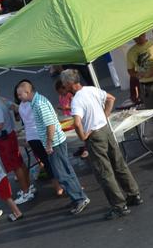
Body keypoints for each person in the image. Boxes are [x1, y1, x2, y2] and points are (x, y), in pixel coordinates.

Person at [63, 69, 141, 220]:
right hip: (105, 130)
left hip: (94, 135)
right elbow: (111, 98)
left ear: (69, 84)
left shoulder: (77, 100)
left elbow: (77, 123)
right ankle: (134, 194)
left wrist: (83, 136)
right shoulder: (91, 89)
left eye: (65, 85)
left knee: (105, 172)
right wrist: (104, 115)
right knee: (119, 164)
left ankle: (119, 206)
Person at [18, 79, 90, 215]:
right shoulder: (37, 101)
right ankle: (77, 197)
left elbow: (50, 125)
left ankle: (80, 198)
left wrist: (49, 144)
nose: (19, 98)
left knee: (61, 173)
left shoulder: (38, 104)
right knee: (65, 170)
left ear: (27, 92)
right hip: (55, 141)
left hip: (55, 143)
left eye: (20, 95)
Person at [13, 84, 63, 198]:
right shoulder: (35, 103)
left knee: (46, 163)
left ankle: (57, 187)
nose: (19, 97)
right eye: (18, 95)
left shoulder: (21, 107)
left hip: (32, 138)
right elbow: (47, 119)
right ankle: (66, 184)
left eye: (20, 94)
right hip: (40, 136)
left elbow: (26, 123)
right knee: (57, 161)